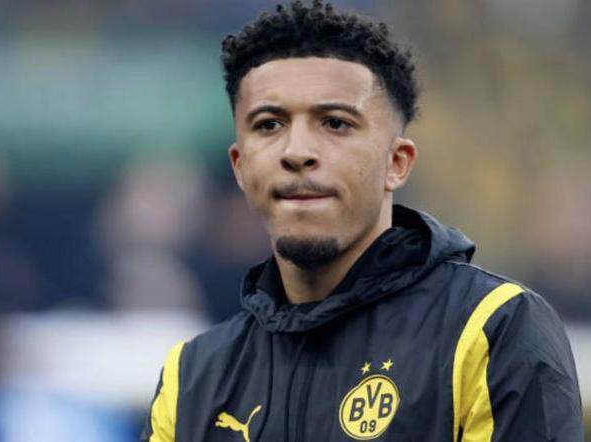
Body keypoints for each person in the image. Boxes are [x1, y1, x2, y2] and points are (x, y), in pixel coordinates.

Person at [140, 1, 584, 441]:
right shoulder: (191, 379)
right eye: (270, 124)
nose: (297, 152)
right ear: (240, 166)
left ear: (397, 162)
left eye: (335, 123)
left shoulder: (493, 330)